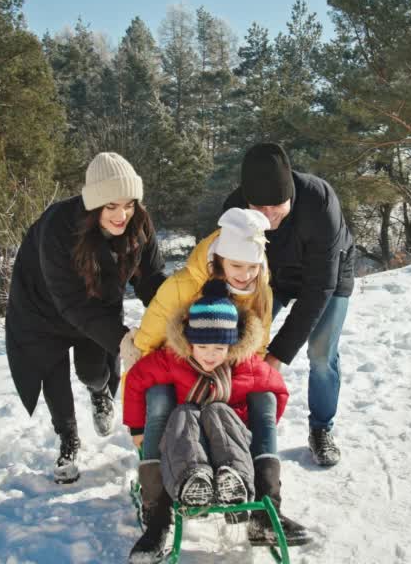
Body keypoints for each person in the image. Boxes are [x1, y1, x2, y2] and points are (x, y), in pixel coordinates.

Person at [122, 207, 310, 548]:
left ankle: (264, 510)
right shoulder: (179, 288)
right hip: (175, 376)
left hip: (225, 382)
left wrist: (262, 413)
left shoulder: (259, 286)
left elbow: (259, 355)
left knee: (262, 397)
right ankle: (158, 513)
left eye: (253, 267)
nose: (245, 275)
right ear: (220, 259)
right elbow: (143, 358)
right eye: (237, 266)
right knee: (162, 398)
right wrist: (140, 426)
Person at [4, 152, 166, 484]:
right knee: (54, 380)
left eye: (129, 204)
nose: (122, 215)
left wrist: (175, 313)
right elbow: (72, 303)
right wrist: (121, 340)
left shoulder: (139, 225)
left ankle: (98, 392)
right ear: (94, 205)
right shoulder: (58, 229)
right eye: (111, 206)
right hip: (42, 311)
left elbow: (150, 278)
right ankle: (68, 441)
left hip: (96, 305)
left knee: (93, 371)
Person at [123, 279, 289, 564]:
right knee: (185, 413)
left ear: (232, 345)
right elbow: (137, 380)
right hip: (187, 448)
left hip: (227, 446)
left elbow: (276, 388)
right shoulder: (171, 360)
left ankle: (234, 484)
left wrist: (257, 425)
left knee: (220, 412)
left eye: (219, 348)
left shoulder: (243, 365)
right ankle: (187, 488)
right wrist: (137, 428)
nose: (211, 356)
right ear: (189, 342)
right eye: (202, 346)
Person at [224, 143, 354, 468]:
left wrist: (278, 354)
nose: (268, 217)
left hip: (328, 276)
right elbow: (226, 270)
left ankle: (321, 429)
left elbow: (318, 287)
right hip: (272, 277)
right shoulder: (234, 210)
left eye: (276, 207)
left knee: (321, 352)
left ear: (291, 194)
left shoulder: (319, 200)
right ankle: (232, 423)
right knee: (241, 342)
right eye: (259, 208)